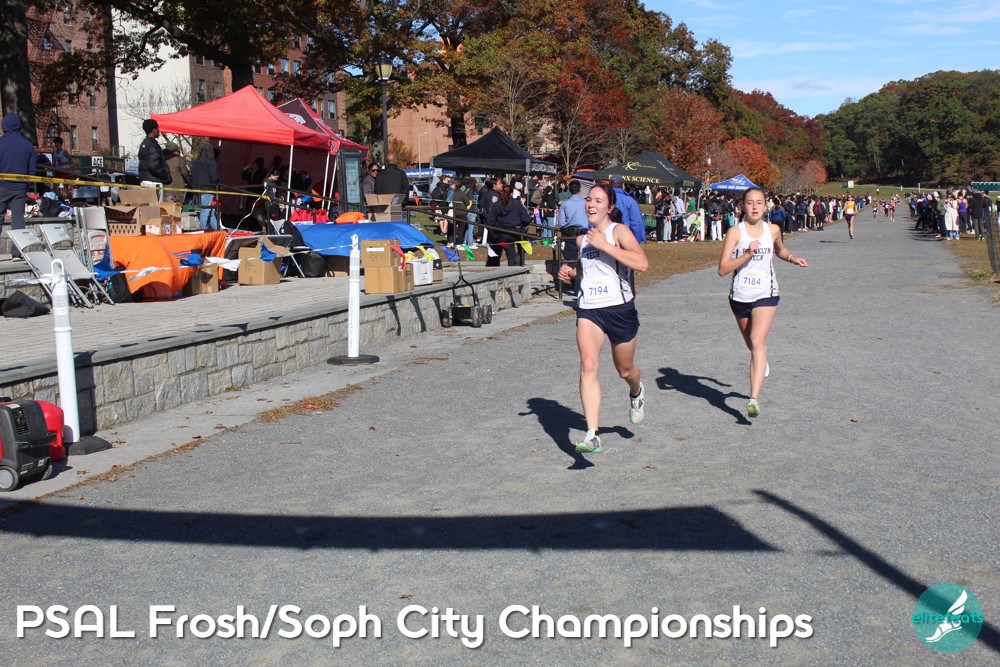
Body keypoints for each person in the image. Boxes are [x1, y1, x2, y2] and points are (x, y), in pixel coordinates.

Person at [556, 183, 649, 453]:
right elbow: (587, 268)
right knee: (588, 365)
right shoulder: (582, 239)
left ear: (610, 207)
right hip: (589, 309)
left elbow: (642, 264)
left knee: (625, 370)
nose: (591, 204)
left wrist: (606, 245)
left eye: (598, 200)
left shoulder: (618, 231)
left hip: (619, 309)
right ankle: (592, 434)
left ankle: (636, 391)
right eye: (589, 200)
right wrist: (572, 272)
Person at [718, 187, 808, 419]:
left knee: (757, 342)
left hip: (766, 293)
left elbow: (780, 250)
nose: (755, 207)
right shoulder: (735, 232)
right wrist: (747, 254)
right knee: (752, 344)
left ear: (766, 205)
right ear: (742, 206)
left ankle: (753, 399)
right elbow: (722, 269)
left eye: (759, 202)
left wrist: (792, 258)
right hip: (740, 295)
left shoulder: (773, 230)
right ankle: (761, 357)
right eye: (750, 202)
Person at [0, 113, 37, 261]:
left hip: (1, 186)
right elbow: (32, 170)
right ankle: (16, 253)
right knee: (18, 219)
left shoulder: (1, 143)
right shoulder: (27, 145)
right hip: (20, 188)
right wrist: (26, 184)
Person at [484, 183, 530, 267]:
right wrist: (522, 224)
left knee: (510, 255)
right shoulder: (517, 203)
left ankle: (514, 263)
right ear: (512, 193)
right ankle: (518, 260)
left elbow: (490, 221)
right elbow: (526, 218)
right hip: (516, 231)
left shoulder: (496, 205)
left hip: (502, 233)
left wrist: (496, 229)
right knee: (524, 246)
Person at [137, 119, 171, 200]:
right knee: (155, 207)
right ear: (154, 130)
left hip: (145, 180)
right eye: (157, 128)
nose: (159, 131)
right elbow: (154, 165)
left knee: (147, 206)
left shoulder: (144, 143)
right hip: (154, 183)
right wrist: (165, 176)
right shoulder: (152, 145)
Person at [190, 140, 220, 230]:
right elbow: (214, 177)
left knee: (210, 211)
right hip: (207, 189)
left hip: (196, 189)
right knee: (206, 211)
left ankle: (217, 230)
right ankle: (202, 230)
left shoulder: (195, 161)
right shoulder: (210, 161)